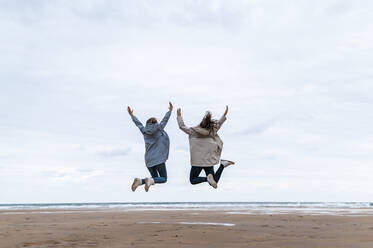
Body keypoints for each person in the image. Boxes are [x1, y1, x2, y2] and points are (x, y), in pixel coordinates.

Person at [177, 105, 235, 189]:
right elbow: (219, 123)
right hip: (208, 161)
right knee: (214, 180)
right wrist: (225, 114)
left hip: (197, 162)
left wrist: (179, 116)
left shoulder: (193, 131)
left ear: (201, 123)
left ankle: (207, 178)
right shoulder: (212, 131)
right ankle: (222, 165)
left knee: (193, 180)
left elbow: (182, 126)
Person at [127, 102, 173, 192]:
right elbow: (165, 120)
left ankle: (140, 181)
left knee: (154, 179)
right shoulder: (159, 128)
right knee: (163, 178)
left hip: (149, 159)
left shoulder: (144, 130)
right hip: (158, 158)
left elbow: (138, 124)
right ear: (156, 123)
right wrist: (170, 111)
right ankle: (146, 181)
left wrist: (132, 115)